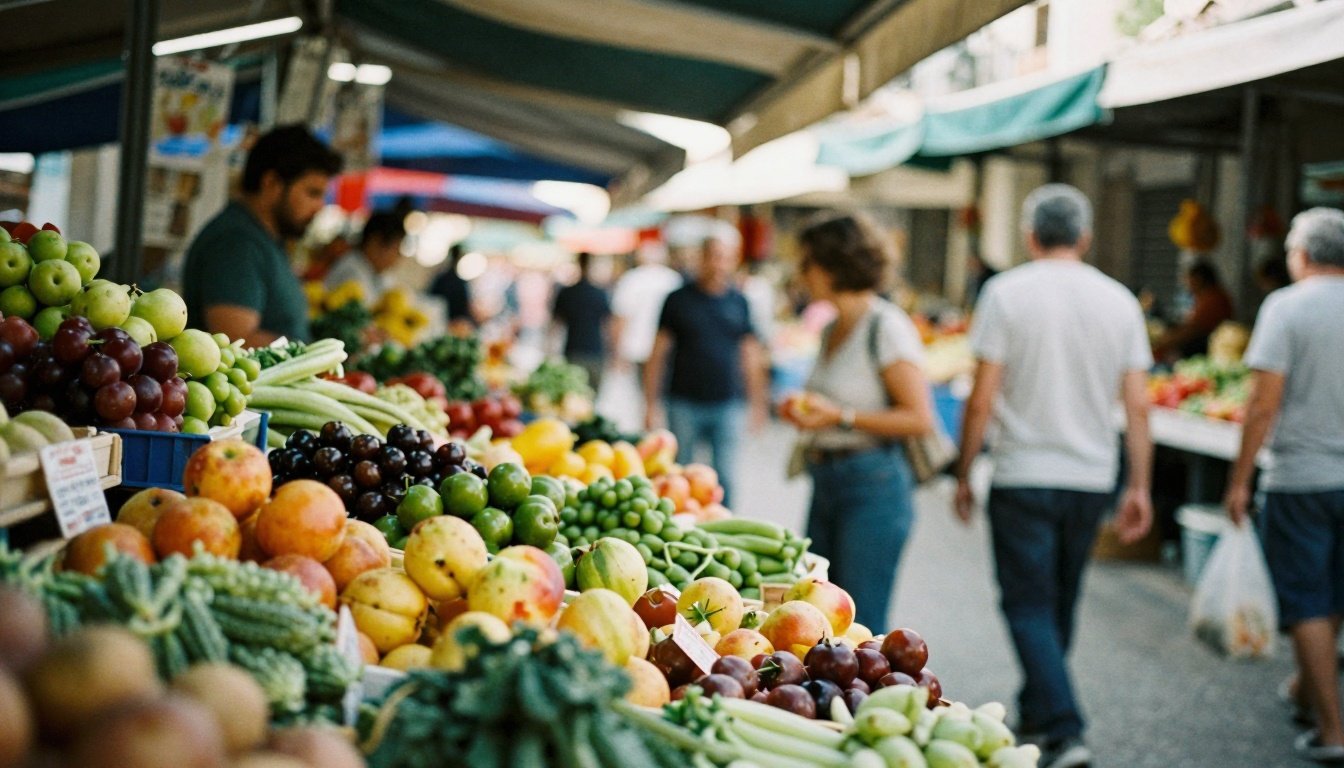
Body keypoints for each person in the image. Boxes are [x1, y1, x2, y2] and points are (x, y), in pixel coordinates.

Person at [953, 184, 1154, 768]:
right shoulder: (1120, 301)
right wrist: (1140, 486)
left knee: (1027, 603)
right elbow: (1138, 406)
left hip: (1022, 474)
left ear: (1029, 236)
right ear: (1085, 237)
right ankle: (1040, 710)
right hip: (1092, 477)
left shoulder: (1005, 293)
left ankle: (1065, 728)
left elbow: (981, 399)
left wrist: (963, 471)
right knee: (1059, 601)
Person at [1224, 208, 1344, 765]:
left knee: (1307, 598)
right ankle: (1304, 689)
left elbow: (1262, 403)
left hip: (1302, 479)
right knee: (1333, 592)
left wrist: (1239, 481)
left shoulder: (1286, 307)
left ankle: (1332, 729)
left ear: (1303, 255)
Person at [779, 213, 935, 631]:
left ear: (834, 265)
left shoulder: (886, 327)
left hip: (873, 485)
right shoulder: (832, 327)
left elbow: (920, 418)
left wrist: (840, 416)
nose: (801, 273)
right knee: (814, 615)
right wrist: (807, 412)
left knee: (860, 622)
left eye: (808, 262)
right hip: (826, 480)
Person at [182, 125, 342, 345]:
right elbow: (235, 340)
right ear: (271, 183)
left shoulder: (266, 239)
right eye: (312, 193)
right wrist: (319, 352)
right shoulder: (237, 243)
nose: (319, 206)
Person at [643, 227, 767, 508]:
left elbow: (750, 355)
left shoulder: (740, 302)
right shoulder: (677, 299)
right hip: (683, 402)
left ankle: (723, 527)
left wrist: (758, 403)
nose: (718, 263)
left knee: (725, 479)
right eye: (712, 256)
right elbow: (658, 353)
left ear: (734, 260)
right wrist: (650, 404)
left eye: (725, 257)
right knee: (679, 477)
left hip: (728, 403)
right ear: (701, 257)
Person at [612, 241, 682, 383]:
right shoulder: (673, 279)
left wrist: (618, 353)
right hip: (665, 348)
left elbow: (621, 318)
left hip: (637, 347)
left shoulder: (631, 279)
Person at [551, 252, 612, 391]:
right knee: (589, 396)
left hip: (573, 351)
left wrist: (550, 351)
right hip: (595, 352)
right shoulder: (600, 293)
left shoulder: (567, 292)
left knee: (572, 394)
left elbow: (555, 324)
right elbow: (608, 325)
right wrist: (614, 353)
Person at [1154, 260, 1235, 360]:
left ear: (1198, 279)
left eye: (1189, 279)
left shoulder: (1213, 298)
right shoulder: (1205, 297)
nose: (1186, 284)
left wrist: (1165, 341)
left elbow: (1193, 330)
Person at [323, 210, 406, 302]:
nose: (399, 256)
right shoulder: (351, 272)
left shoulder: (377, 273)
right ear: (375, 242)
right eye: (396, 248)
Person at [429, 243, 477, 330]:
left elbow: (431, 298)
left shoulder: (441, 278)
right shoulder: (457, 282)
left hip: (444, 323)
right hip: (448, 323)